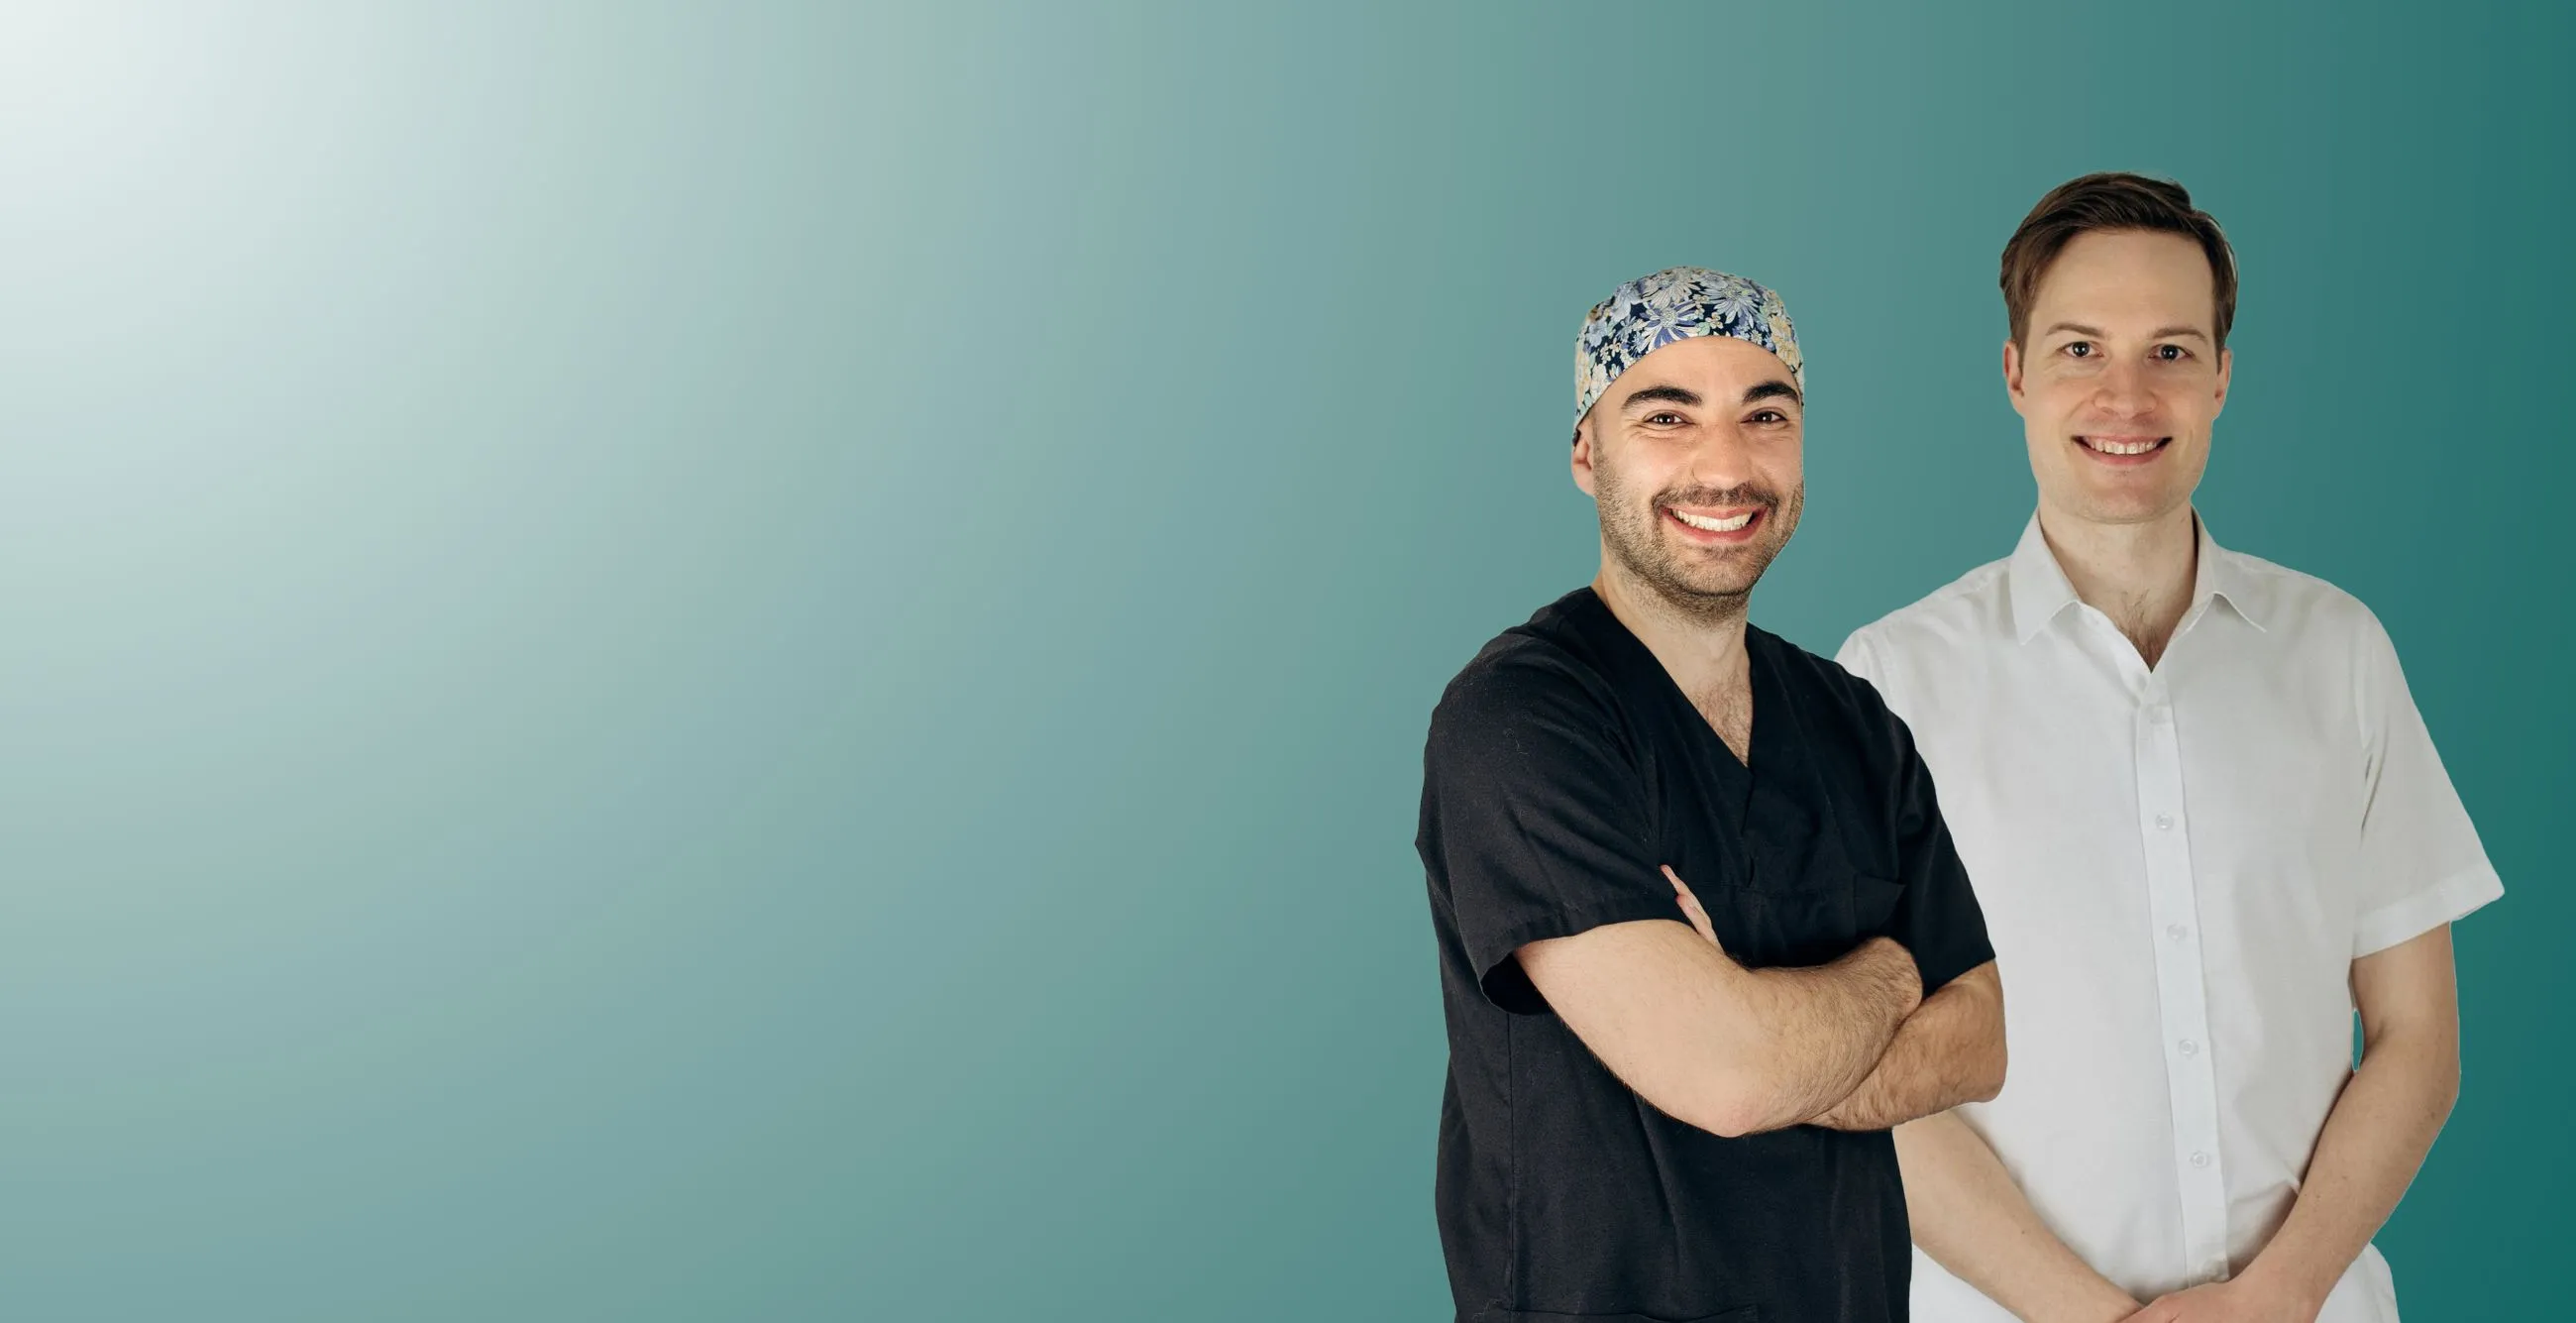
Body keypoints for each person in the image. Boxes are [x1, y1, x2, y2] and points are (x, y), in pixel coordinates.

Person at [1838, 173, 2503, 1323]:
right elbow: (1868, 1084)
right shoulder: (1890, 683)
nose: (2124, 395)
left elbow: (2415, 1038)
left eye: (2170, 352)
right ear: (2014, 375)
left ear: (2220, 378)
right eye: (2080, 348)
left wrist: (2276, 1298)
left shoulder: (2335, 654)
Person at [1417, 268, 2004, 1322]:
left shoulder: (1851, 724)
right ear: (1585, 453)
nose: (1724, 466)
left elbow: (1978, 1040)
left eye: (1763, 414)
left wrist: (1761, 1029)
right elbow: (1726, 1078)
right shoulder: (1518, 722)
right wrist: (1885, 975)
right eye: (1666, 414)